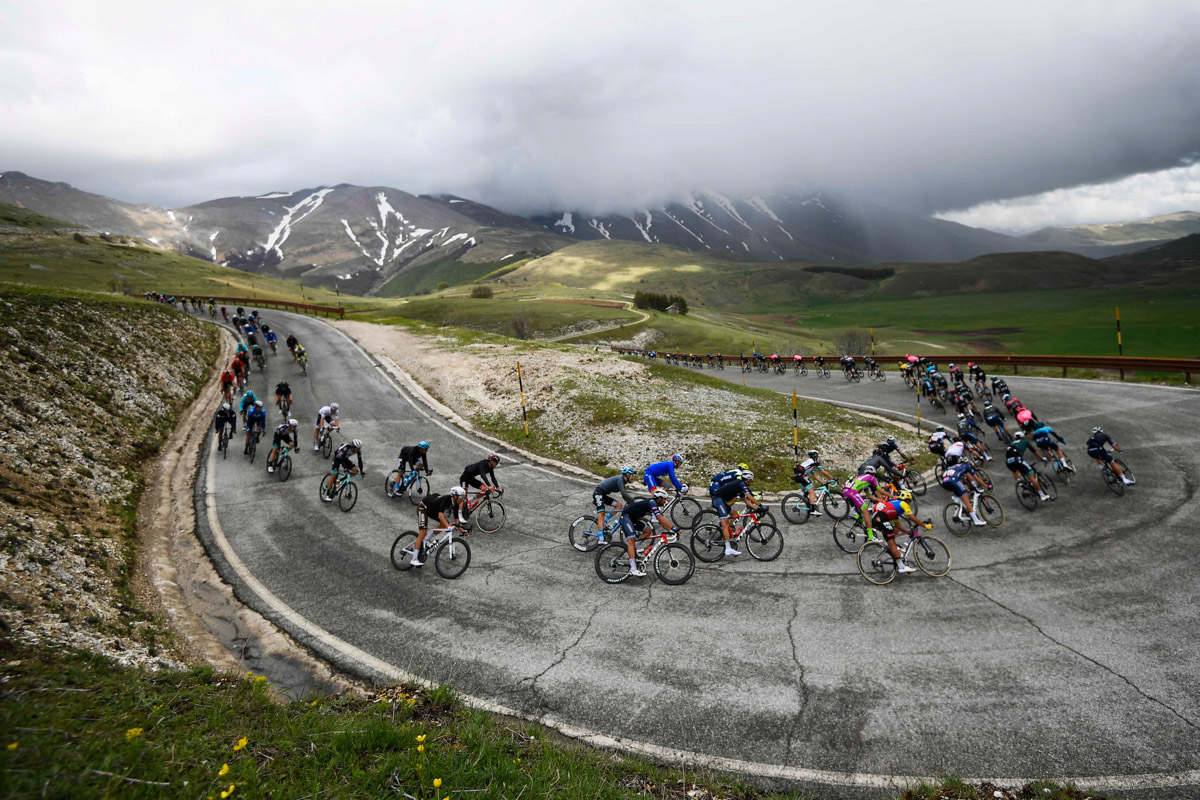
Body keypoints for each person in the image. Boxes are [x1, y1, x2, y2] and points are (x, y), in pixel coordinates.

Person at [618, 487, 681, 577]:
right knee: (631, 540)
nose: (665, 501)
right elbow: (660, 518)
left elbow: (661, 522)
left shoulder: (654, 503)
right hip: (626, 517)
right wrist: (673, 528)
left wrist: (670, 530)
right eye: (664, 499)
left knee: (648, 530)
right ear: (659, 498)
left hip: (632, 518)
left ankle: (634, 550)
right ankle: (633, 569)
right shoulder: (652, 503)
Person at [867, 491, 931, 574]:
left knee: (892, 538)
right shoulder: (903, 503)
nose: (909, 503)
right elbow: (911, 517)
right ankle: (901, 566)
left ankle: (895, 556)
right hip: (880, 518)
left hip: (878, 518)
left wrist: (909, 532)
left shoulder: (895, 507)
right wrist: (924, 525)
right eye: (909, 501)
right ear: (906, 499)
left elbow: (898, 526)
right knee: (892, 542)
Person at [707, 466, 764, 557]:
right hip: (718, 499)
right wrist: (761, 506)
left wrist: (757, 509)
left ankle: (725, 530)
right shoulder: (741, 483)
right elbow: (749, 496)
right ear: (748, 479)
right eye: (751, 480)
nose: (751, 482)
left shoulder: (740, 488)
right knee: (725, 523)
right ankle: (728, 548)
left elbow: (747, 501)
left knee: (734, 514)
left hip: (721, 500)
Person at [411, 487, 469, 566]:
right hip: (423, 508)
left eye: (463, 497)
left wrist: (463, 530)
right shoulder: (445, 500)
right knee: (423, 532)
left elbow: (456, 520)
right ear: (455, 496)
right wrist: (448, 527)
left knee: (445, 524)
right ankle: (414, 559)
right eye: (461, 497)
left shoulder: (456, 503)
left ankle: (427, 540)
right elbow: (440, 516)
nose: (463, 499)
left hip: (432, 510)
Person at [939, 456, 989, 526]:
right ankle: (976, 521)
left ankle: (957, 509)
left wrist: (967, 489)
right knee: (966, 500)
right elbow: (976, 478)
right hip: (953, 481)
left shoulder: (952, 467)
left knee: (960, 495)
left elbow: (960, 482)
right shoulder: (966, 466)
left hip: (944, 482)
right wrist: (986, 485)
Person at [1005, 432, 1053, 501]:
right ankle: (1042, 495)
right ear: (1022, 437)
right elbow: (1034, 451)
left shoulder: (1012, 444)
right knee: (1031, 475)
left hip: (1008, 462)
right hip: (1018, 460)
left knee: (1014, 469)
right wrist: (1042, 458)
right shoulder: (1025, 442)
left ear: (1016, 438)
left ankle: (1020, 481)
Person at [592, 467, 638, 537]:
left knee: (619, 506)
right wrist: (633, 501)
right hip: (598, 493)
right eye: (632, 475)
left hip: (603, 495)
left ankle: (605, 520)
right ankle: (600, 539)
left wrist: (631, 503)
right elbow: (623, 493)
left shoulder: (623, 481)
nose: (633, 477)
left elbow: (624, 496)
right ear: (628, 475)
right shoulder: (620, 479)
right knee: (601, 514)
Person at [793, 450, 834, 515]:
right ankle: (812, 510)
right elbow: (823, 471)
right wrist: (832, 478)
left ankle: (811, 501)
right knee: (812, 492)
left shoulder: (809, 464)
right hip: (801, 476)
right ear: (816, 456)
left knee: (812, 485)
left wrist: (823, 483)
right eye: (817, 455)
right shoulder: (814, 462)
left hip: (798, 476)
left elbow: (815, 476)